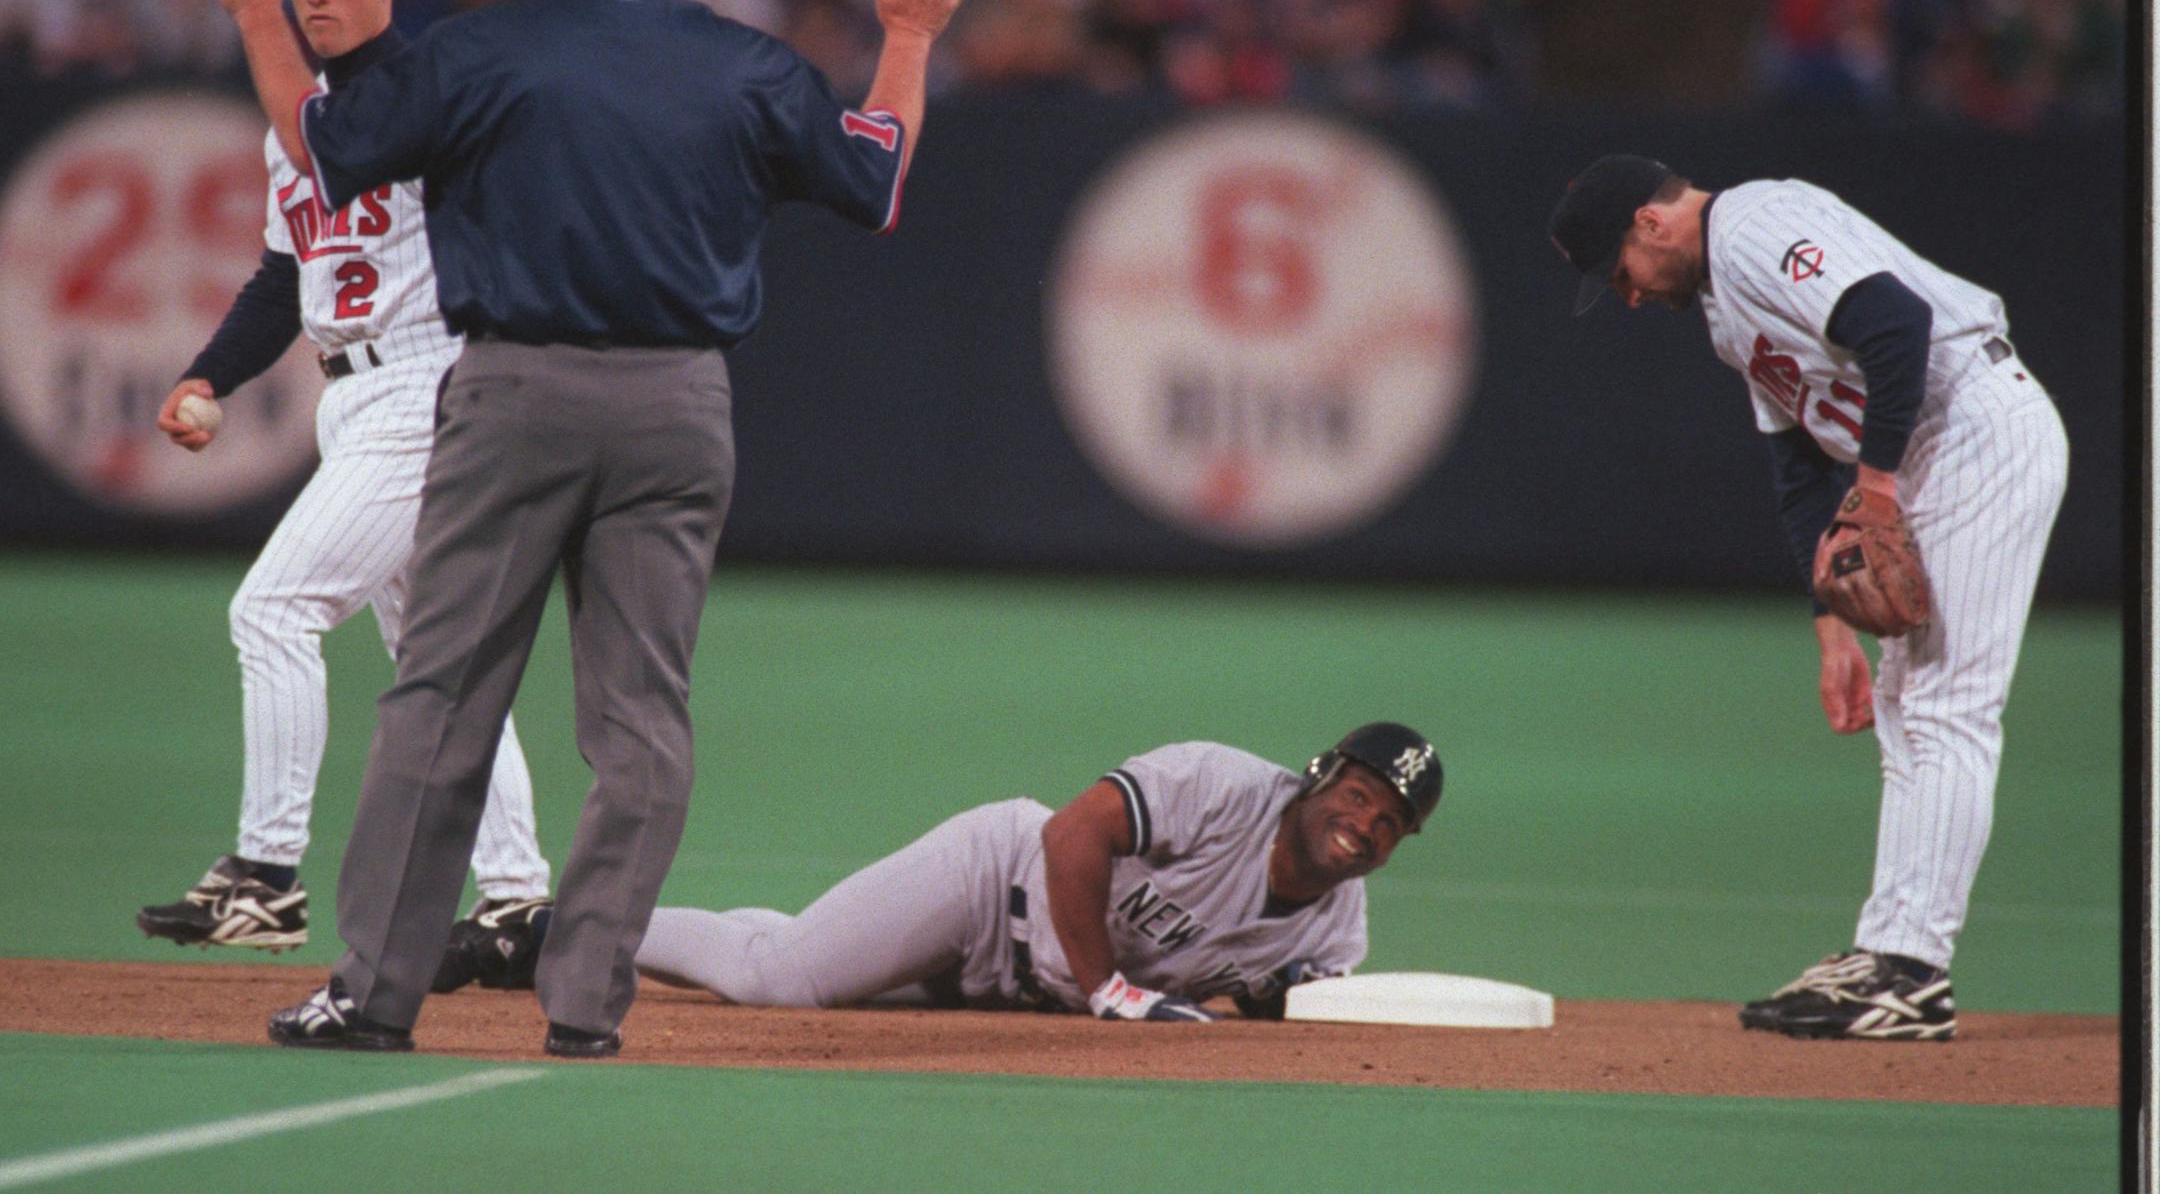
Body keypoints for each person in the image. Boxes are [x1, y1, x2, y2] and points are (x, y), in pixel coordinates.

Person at [182, 0, 980, 1058]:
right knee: (641, 720)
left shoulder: (483, 48)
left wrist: (253, 8)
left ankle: (375, 994)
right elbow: (874, 183)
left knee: (441, 692)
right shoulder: (744, 64)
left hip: (510, 389)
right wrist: (914, 31)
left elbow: (324, 157)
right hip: (677, 407)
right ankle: (587, 1004)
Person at [1550, 155, 2068, 1042]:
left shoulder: (1755, 225)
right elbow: (1796, 470)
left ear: (1650, 221)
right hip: (1930, 451)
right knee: (1910, 708)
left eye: (1620, 271)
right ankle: (1889, 954)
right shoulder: (1723, 309)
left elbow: (1895, 323)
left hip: (1977, 427)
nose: (1627, 295)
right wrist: (1831, 627)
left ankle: (1912, 971)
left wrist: (1872, 487)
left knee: (1947, 706)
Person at [138, 0, 553, 962]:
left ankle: (266, 875)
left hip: (427, 384)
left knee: (273, 611)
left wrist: (252, 17)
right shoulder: (299, 118)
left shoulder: (439, 87)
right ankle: (516, 895)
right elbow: (285, 277)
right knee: (436, 655)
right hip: (355, 390)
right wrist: (209, 376)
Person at [610, 723, 1440, 1020]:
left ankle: (575, 931)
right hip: (988, 887)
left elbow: (1298, 1005)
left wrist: (1274, 1001)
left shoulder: (1340, 925)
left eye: (1388, 822)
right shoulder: (1224, 785)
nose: (1362, 826)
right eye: (1361, 793)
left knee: (796, 950)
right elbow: (1073, 834)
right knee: (782, 977)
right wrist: (1110, 990)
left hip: (1011, 984)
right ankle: (572, 926)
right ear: (1322, 775)